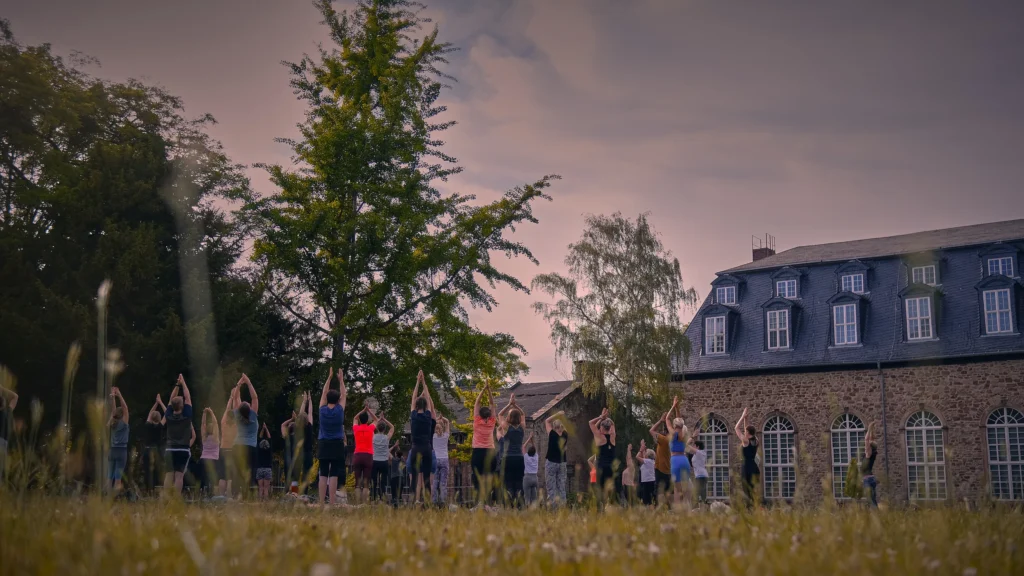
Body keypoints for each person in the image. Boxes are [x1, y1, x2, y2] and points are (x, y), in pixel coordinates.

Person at [317, 368, 347, 505]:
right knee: (334, 472)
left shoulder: (322, 410)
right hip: (337, 443)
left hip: (323, 442)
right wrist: (341, 380)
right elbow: (344, 394)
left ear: (327, 398)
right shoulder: (340, 410)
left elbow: (323, 393)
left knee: (323, 472)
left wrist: (329, 378)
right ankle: (332, 502)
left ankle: (321, 502)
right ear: (338, 399)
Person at [162, 374, 194, 497]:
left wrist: (177, 385)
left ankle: (165, 498)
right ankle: (175, 500)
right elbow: (188, 396)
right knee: (179, 476)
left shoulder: (168, 415)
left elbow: (171, 398)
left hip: (170, 448)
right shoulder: (186, 415)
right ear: (182, 405)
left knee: (168, 475)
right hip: (183, 449)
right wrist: (183, 382)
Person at [408, 370, 436, 506]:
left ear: (416, 406)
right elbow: (428, 398)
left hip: (415, 448)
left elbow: (413, 399)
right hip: (427, 448)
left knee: (414, 477)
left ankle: (414, 501)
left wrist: (417, 382)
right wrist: (424, 382)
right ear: (426, 406)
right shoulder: (428, 416)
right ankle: (428, 502)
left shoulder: (413, 415)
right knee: (426, 477)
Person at [232, 374, 260, 498]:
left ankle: (236, 496)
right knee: (251, 471)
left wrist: (239, 384)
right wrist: (248, 383)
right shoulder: (253, 416)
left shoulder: (237, 416)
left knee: (237, 473)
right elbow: (255, 397)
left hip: (237, 446)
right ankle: (248, 496)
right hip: (250, 447)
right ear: (250, 409)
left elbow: (234, 398)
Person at [470, 383, 498, 507]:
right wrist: (489, 391)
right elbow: (492, 404)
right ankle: (488, 503)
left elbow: (477, 403)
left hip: (478, 452)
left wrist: (483, 390)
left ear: (480, 415)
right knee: (488, 478)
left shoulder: (477, 421)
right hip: (490, 452)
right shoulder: (492, 422)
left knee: (477, 479)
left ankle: (479, 504)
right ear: (489, 414)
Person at [499, 396, 526, 507]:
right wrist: (515, 406)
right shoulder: (522, 427)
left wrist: (509, 405)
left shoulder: (506, 427)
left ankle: (509, 504)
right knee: (519, 482)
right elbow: (523, 414)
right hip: (519, 458)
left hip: (508, 458)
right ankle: (520, 505)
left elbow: (500, 415)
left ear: (509, 417)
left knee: (508, 482)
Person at [650, 397, 677, 506]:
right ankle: (670, 509)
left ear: (665, 433)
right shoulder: (674, 440)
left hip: (660, 468)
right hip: (669, 469)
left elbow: (651, 430)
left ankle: (660, 508)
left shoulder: (664, 440)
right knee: (669, 491)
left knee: (660, 490)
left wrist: (661, 421)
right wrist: (675, 408)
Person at [588, 408, 617, 504]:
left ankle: (600, 509)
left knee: (599, 490)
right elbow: (613, 425)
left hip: (601, 467)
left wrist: (601, 417)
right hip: (611, 468)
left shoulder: (600, 438)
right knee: (609, 490)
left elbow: (591, 423)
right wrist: (607, 419)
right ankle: (610, 506)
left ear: (601, 428)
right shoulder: (612, 437)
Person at [666, 411, 692, 509]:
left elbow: (667, 419)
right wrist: (677, 407)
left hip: (675, 460)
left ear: (674, 425)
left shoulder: (672, 433)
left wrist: (673, 406)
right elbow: (680, 420)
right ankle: (687, 511)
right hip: (684, 460)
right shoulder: (683, 435)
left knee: (677, 490)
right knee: (685, 489)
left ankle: (678, 513)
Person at [351, 405, 376, 504]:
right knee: (366, 483)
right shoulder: (370, 429)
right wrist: (369, 411)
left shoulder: (356, 429)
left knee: (357, 483)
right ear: (367, 420)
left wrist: (362, 410)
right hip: (368, 455)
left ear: (360, 420)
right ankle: (364, 503)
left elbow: (354, 418)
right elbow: (376, 419)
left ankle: (357, 503)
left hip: (357, 455)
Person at [735, 407, 760, 508]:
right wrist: (746, 417)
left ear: (748, 433)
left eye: (746, 432)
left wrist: (742, 417)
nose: (744, 432)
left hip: (746, 468)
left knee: (746, 491)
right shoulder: (756, 440)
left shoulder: (745, 441)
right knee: (753, 491)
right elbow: (747, 428)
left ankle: (749, 510)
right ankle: (755, 509)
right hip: (754, 467)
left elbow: (736, 428)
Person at [107, 386, 129, 494]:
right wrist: (119, 394)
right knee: (118, 476)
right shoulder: (123, 423)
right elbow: (125, 407)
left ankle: (106, 496)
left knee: (110, 475)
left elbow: (113, 410)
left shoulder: (112, 422)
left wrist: (113, 396)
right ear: (123, 415)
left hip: (112, 450)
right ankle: (116, 497)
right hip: (121, 451)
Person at [544, 410, 568, 507]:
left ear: (554, 427)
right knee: (561, 487)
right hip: (562, 463)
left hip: (551, 462)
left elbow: (547, 421)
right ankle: (563, 508)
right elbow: (564, 427)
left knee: (551, 488)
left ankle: (553, 509)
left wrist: (557, 414)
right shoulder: (565, 435)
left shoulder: (552, 434)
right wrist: (562, 418)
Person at [142, 394, 165, 495]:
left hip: (147, 450)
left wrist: (156, 403)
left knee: (147, 471)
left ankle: (148, 490)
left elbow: (150, 413)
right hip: (157, 451)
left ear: (151, 418)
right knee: (157, 471)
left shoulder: (147, 425)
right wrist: (160, 402)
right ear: (159, 418)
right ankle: (156, 490)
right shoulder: (160, 426)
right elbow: (167, 414)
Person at [217, 391, 238, 498]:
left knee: (222, 475)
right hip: (233, 451)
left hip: (223, 450)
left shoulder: (223, 424)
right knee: (230, 476)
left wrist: (230, 398)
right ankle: (229, 496)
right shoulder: (236, 425)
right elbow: (237, 410)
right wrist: (235, 398)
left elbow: (227, 410)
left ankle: (221, 496)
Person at [372, 412, 394, 502]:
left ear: (377, 428)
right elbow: (392, 427)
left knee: (374, 480)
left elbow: (370, 427)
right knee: (383, 481)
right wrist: (384, 419)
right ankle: (382, 497)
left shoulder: (373, 437)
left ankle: (373, 497)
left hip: (375, 460)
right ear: (384, 429)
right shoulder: (386, 437)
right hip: (384, 461)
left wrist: (377, 420)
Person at [199, 407, 220, 497]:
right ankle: (211, 495)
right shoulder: (216, 438)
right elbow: (215, 423)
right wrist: (211, 412)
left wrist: (204, 413)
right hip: (214, 459)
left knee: (204, 478)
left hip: (204, 459)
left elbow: (203, 424)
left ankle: (203, 494)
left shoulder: (204, 437)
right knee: (212, 478)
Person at [432, 415, 451, 506]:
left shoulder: (433, 436)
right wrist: (442, 418)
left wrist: (436, 420)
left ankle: (434, 501)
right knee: (443, 482)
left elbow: (431, 424)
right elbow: (447, 422)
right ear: (442, 427)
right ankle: (443, 501)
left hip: (435, 459)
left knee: (435, 481)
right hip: (444, 459)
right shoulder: (446, 436)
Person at [0, 383, 16, 477]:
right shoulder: (8, 412)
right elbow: (15, 397)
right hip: (4, 443)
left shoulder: (7, 412)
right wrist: (3, 388)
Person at [863, 420, 879, 507]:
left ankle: (877, 518)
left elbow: (866, 440)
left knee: (872, 503)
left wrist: (869, 428)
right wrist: (872, 430)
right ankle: (878, 517)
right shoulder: (873, 452)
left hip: (868, 480)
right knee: (873, 501)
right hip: (871, 478)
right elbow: (870, 439)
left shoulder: (868, 454)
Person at [636, 441, 656, 506]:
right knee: (649, 497)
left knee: (647, 498)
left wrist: (640, 450)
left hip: (648, 482)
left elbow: (637, 457)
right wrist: (643, 447)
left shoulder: (648, 461)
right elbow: (643, 456)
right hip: (650, 481)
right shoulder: (650, 461)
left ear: (648, 455)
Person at [523, 432, 539, 507]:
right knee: (534, 497)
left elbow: (523, 447)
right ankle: (534, 511)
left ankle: (527, 511)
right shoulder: (536, 457)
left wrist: (529, 438)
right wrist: (532, 440)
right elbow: (535, 448)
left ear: (528, 452)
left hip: (527, 477)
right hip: (535, 477)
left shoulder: (526, 457)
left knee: (527, 497)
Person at [692, 438, 709, 507]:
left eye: (694, 445)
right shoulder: (696, 454)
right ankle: (701, 507)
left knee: (700, 492)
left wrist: (691, 439)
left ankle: (703, 507)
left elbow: (689, 447)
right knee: (698, 492)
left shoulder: (700, 453)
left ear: (697, 447)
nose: (693, 447)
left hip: (701, 475)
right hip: (698, 475)